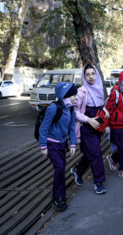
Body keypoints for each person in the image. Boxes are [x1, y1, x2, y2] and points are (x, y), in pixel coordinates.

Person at [39, 82, 77, 211]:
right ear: (66, 95)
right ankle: (57, 197)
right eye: (74, 95)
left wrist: (72, 143)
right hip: (51, 143)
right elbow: (44, 128)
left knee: (61, 169)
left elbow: (72, 127)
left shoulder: (71, 108)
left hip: (62, 144)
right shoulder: (53, 108)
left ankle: (60, 194)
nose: (76, 97)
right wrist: (43, 146)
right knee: (60, 167)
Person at [70, 63, 107, 195]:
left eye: (93, 73)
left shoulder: (99, 89)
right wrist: (88, 119)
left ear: (96, 75)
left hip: (97, 128)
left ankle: (77, 170)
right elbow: (74, 111)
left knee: (89, 153)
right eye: (87, 74)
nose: (91, 76)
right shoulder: (81, 92)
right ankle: (98, 182)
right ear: (84, 76)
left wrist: (105, 115)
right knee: (96, 153)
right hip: (85, 128)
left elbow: (101, 107)